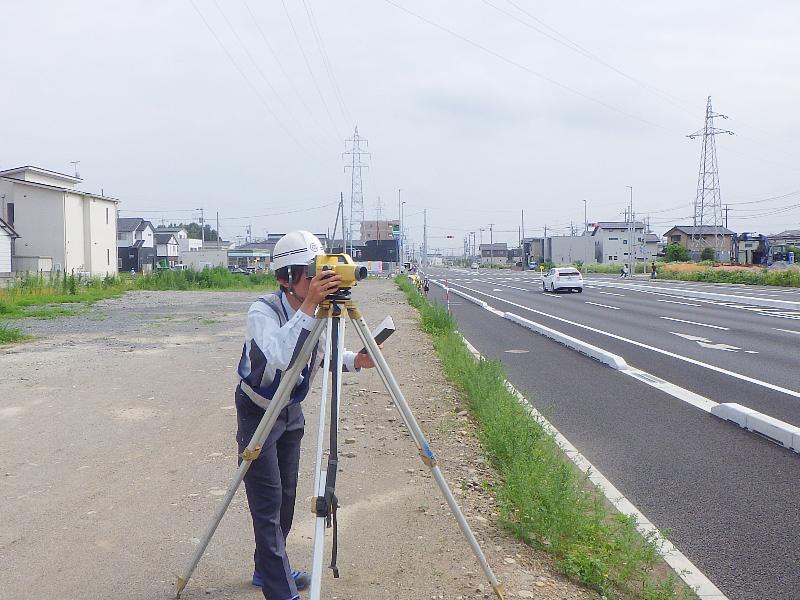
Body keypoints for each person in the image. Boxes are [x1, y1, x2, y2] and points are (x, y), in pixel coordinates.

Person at [235, 230, 376, 600]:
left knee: (286, 498)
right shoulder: (262, 312)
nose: (319, 280)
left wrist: (354, 360)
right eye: (311, 273)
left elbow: (324, 353)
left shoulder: (319, 307)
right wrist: (311, 307)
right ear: (285, 278)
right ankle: (282, 591)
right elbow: (282, 355)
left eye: (321, 270)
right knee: (266, 504)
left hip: (289, 410)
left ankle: (267, 568)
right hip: (259, 412)